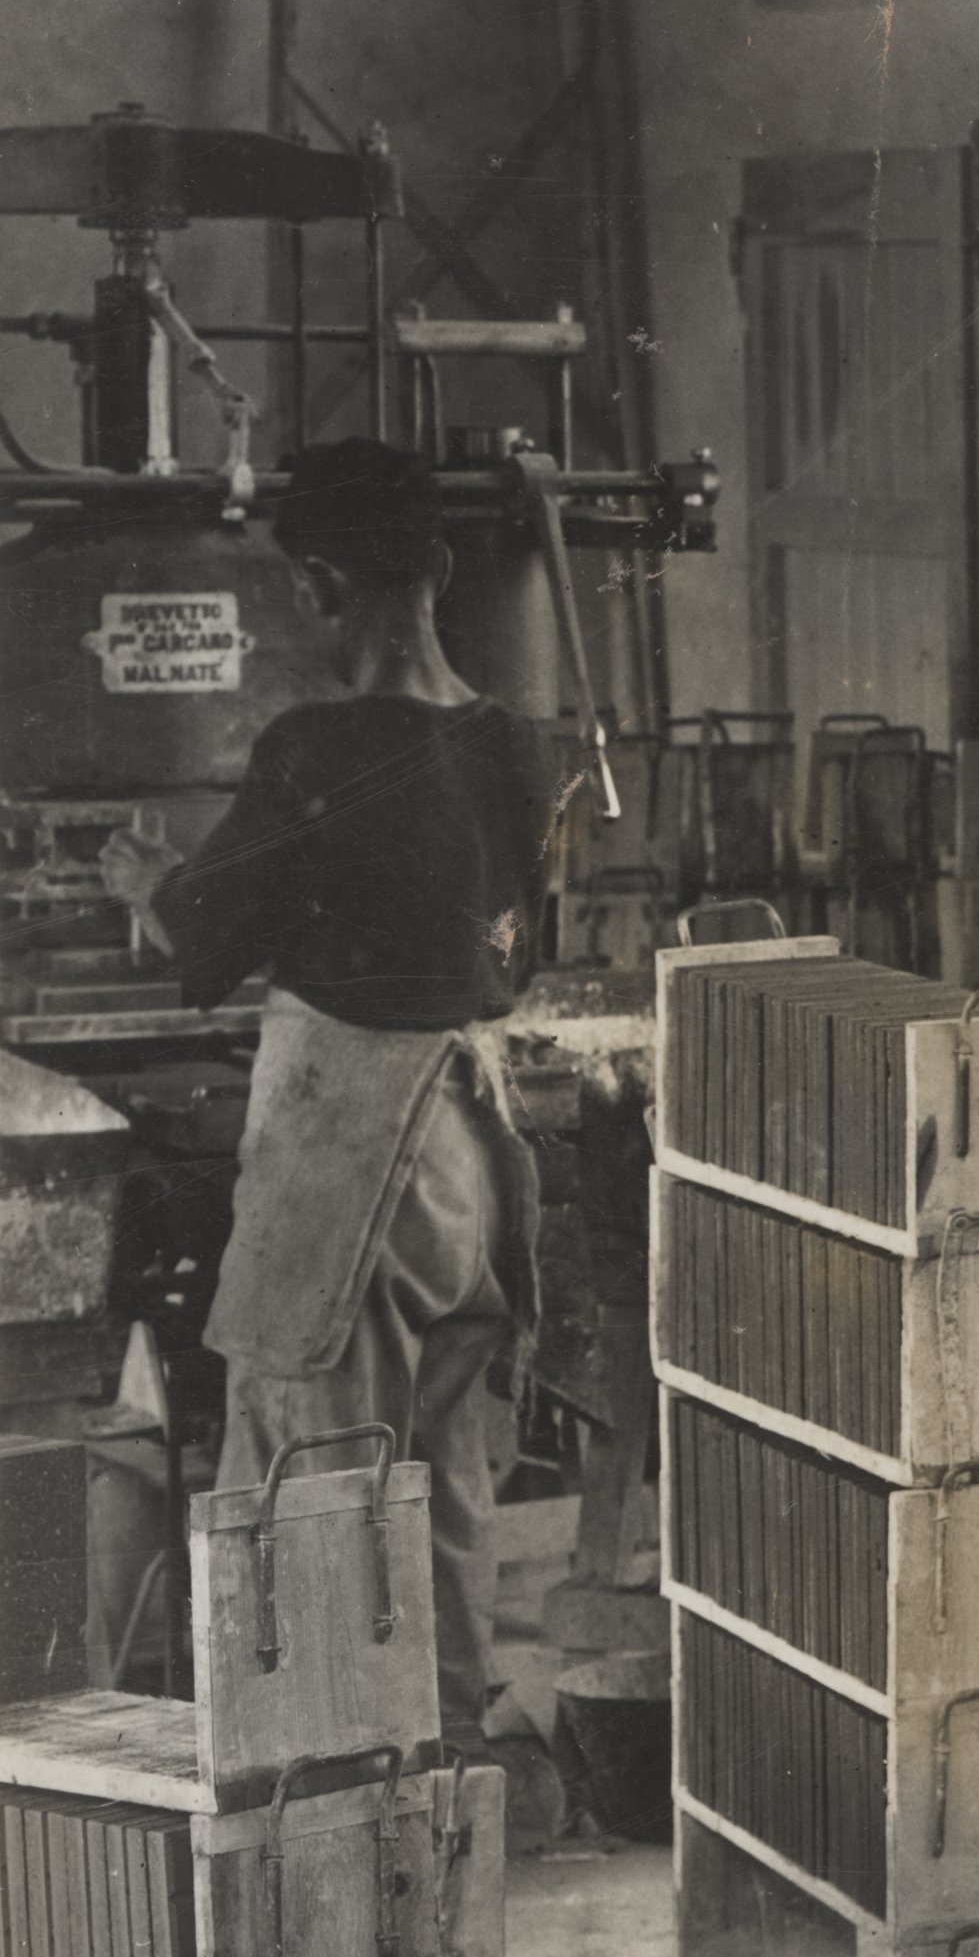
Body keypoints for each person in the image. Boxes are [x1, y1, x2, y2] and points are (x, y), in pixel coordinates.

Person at [125, 441, 570, 1805]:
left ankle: (319, 1812)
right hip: (472, 1161)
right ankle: (445, 1772)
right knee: (442, 1487)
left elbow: (203, 935)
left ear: (319, 585)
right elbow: (516, 950)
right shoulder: (515, 741)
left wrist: (142, 880)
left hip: (348, 1170)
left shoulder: (309, 749)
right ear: (436, 570)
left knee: (314, 1483)